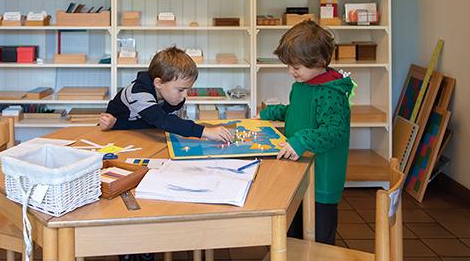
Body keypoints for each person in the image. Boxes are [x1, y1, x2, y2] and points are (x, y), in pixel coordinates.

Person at [258, 20, 353, 245]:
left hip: (321, 180)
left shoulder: (331, 94)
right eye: (289, 65)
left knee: (318, 241)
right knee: (293, 233)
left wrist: (300, 140)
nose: (291, 71)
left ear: (319, 62)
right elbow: (298, 112)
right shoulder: (302, 85)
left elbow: (334, 131)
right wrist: (270, 112)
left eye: (296, 67)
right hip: (299, 172)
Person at [99, 46, 233, 143]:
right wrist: (205, 132)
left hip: (144, 131)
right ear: (158, 83)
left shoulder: (167, 92)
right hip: (120, 133)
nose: (184, 96)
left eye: (187, 90)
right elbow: (163, 120)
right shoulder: (138, 92)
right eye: (180, 90)